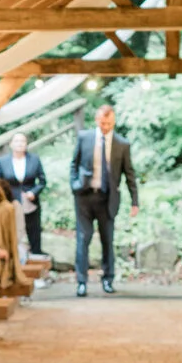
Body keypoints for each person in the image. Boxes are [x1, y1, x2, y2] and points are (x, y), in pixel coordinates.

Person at [69, 104, 138, 297]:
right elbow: (74, 164)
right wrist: (74, 185)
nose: (105, 126)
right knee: (83, 239)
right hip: (84, 196)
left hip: (108, 198)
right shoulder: (85, 138)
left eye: (108, 123)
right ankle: (81, 281)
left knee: (108, 240)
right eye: (102, 122)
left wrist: (135, 201)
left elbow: (129, 174)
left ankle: (108, 279)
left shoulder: (122, 144)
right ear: (96, 120)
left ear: (113, 121)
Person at [0, 130, 46, 256]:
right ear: (11, 144)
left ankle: (36, 262)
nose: (20, 143)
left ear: (26, 143)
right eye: (17, 141)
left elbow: (42, 181)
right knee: (11, 234)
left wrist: (33, 192)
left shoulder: (34, 159)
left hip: (30, 203)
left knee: (34, 234)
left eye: (22, 141)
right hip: (11, 204)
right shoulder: (3, 161)